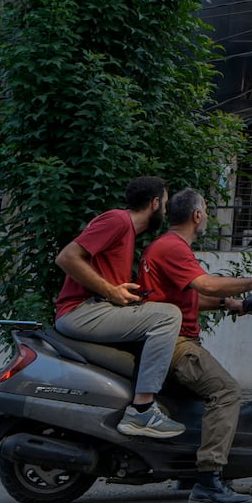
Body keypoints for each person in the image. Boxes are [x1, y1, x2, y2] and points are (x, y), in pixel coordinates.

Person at [140, 187, 252, 503]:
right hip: (176, 345)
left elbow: (190, 297)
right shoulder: (173, 248)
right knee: (226, 393)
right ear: (197, 215)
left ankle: (188, 472)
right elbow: (204, 284)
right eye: (205, 210)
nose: (206, 215)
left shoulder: (166, 246)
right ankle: (208, 481)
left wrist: (229, 303)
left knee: (201, 404)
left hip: (169, 342)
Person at [54, 175, 185, 440]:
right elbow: (66, 257)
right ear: (155, 202)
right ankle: (142, 410)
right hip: (81, 311)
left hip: (93, 310)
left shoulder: (126, 232)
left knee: (158, 313)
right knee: (169, 316)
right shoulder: (117, 220)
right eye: (165, 203)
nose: (166, 211)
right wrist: (111, 291)